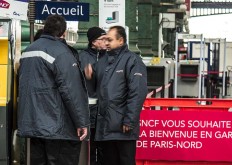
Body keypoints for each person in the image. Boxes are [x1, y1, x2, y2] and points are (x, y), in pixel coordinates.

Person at [17, 15, 90, 165]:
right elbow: (71, 91)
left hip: (34, 124)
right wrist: (81, 122)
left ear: (45, 28)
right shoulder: (61, 53)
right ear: (63, 33)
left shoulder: (28, 51)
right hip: (58, 128)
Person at [85, 25, 147, 165]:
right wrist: (90, 74)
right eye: (105, 39)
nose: (106, 42)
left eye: (110, 40)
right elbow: (95, 78)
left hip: (123, 127)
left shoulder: (133, 61)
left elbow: (137, 92)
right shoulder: (103, 61)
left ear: (121, 41)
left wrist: (129, 120)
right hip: (106, 128)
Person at [78, 26, 107, 164]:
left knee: (104, 148)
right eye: (102, 39)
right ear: (94, 42)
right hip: (89, 109)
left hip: (105, 110)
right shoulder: (83, 57)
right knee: (90, 147)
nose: (105, 42)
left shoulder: (108, 56)